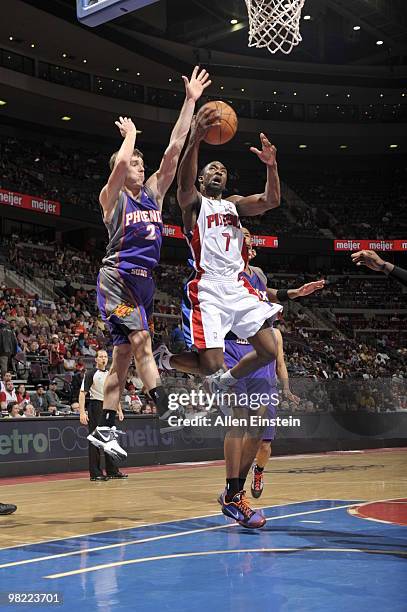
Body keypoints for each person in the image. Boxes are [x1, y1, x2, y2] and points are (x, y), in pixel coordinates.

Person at [157, 229, 323, 527]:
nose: (244, 235)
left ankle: (235, 491)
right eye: (239, 232)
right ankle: (235, 495)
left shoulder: (257, 272)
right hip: (230, 343)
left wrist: (292, 294)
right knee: (237, 418)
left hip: (258, 352)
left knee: (257, 429)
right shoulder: (220, 265)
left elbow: (265, 295)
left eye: (247, 233)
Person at [89, 66, 211, 462]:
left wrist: (190, 101)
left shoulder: (153, 195)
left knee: (123, 359)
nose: (141, 168)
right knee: (141, 341)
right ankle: (164, 405)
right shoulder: (113, 198)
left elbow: (175, 148)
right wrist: (131, 138)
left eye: (143, 164)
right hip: (116, 283)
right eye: (136, 164)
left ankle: (105, 426)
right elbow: (121, 167)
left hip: (144, 286)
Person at [155, 108, 284, 396]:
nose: (218, 172)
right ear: (201, 179)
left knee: (269, 350)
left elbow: (271, 200)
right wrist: (196, 139)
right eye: (212, 168)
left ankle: (225, 381)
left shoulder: (234, 204)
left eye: (223, 170)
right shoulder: (194, 204)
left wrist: (271, 166)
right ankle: (166, 359)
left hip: (238, 286)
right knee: (211, 364)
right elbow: (183, 184)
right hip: (209, 287)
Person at [250, 329, 300, 499]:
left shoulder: (275, 333)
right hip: (244, 388)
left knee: (264, 445)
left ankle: (258, 471)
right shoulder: (240, 326)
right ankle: (234, 490)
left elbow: (280, 364)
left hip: (267, 390)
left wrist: (286, 389)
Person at [80, 350, 126, 481]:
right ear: (96, 360)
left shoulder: (111, 374)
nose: (103, 359)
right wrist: (82, 412)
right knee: (95, 440)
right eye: (100, 357)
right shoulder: (90, 374)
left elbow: (114, 393)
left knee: (110, 439)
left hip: (109, 407)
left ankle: (112, 471)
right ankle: (95, 473)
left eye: (105, 357)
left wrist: (119, 409)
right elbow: (82, 393)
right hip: (96, 406)